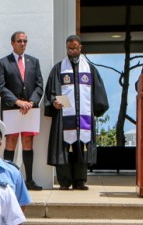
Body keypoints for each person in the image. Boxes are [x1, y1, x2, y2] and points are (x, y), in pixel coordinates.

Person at [44, 35, 109, 191]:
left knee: (82, 147)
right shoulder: (59, 69)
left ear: (80, 48)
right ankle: (64, 181)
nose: (71, 51)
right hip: (64, 117)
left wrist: (94, 111)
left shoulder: (90, 70)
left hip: (84, 117)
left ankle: (80, 181)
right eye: (69, 49)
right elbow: (51, 92)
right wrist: (54, 102)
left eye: (74, 48)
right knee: (64, 149)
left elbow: (98, 93)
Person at [0, 31, 45, 191]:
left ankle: (29, 180)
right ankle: (8, 179)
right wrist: (17, 102)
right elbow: (0, 86)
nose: (22, 44)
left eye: (25, 41)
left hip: (30, 109)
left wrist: (31, 102)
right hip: (11, 109)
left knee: (28, 142)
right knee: (11, 142)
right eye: (19, 41)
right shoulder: (3, 62)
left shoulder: (34, 62)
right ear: (12, 43)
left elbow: (39, 85)